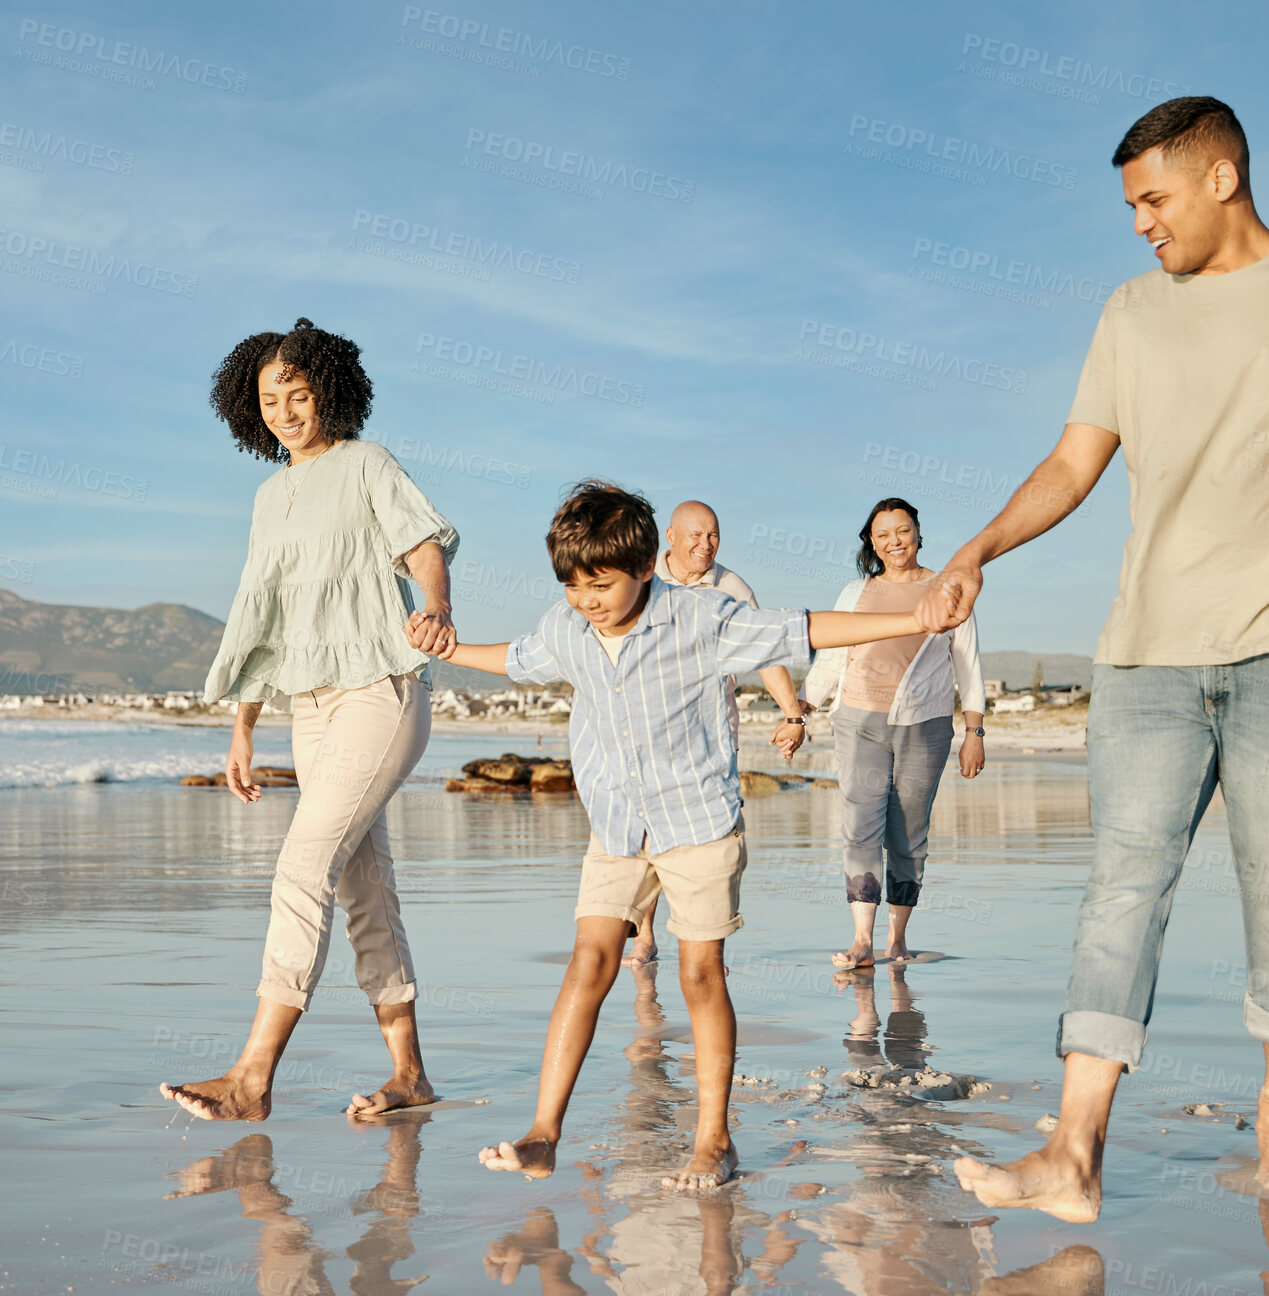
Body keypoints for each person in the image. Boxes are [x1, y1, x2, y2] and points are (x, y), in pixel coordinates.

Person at [918, 98, 1269, 1219]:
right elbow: (1071, 460)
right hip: (1143, 653)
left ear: (1220, 178)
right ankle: (1072, 1152)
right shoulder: (1130, 311)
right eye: (1130, 205)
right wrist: (977, 548)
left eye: (1150, 199)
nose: (1139, 224)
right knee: (1119, 891)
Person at [414, 480, 948, 1189]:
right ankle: (543, 1133)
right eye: (571, 585)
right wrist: (447, 645)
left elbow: (805, 629)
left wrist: (915, 618)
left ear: (643, 567)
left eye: (599, 585)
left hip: (696, 822)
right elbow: (515, 658)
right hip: (615, 826)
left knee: (699, 975)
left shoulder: (701, 618)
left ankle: (713, 1141)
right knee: (589, 963)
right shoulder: (567, 626)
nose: (585, 600)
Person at [160, 318, 459, 1122]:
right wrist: (244, 727)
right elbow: (262, 619)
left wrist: (436, 603)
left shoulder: (366, 464)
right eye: (269, 399)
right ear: (248, 409)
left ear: (329, 391)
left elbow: (421, 541)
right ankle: (410, 1075)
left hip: (380, 692)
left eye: (298, 393)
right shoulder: (268, 496)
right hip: (310, 706)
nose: (286, 410)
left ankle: (253, 1075)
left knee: (300, 871)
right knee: (363, 888)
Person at [619, 498, 809, 969]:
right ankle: (644, 935)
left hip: (710, 733)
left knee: (707, 833)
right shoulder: (643, 577)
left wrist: (793, 715)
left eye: (714, 536)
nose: (706, 546)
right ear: (669, 537)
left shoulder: (731, 587)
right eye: (696, 536)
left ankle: (703, 939)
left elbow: (765, 648)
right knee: (647, 832)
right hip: (645, 728)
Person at [801, 498, 985, 969]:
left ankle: (897, 939)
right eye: (883, 535)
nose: (894, 542)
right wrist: (799, 711)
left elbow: (967, 661)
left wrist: (974, 729)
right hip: (858, 721)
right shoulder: (855, 592)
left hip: (926, 725)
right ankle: (862, 940)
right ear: (872, 543)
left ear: (918, 532)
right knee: (860, 826)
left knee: (908, 835)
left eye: (902, 531)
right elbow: (833, 656)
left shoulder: (947, 589)